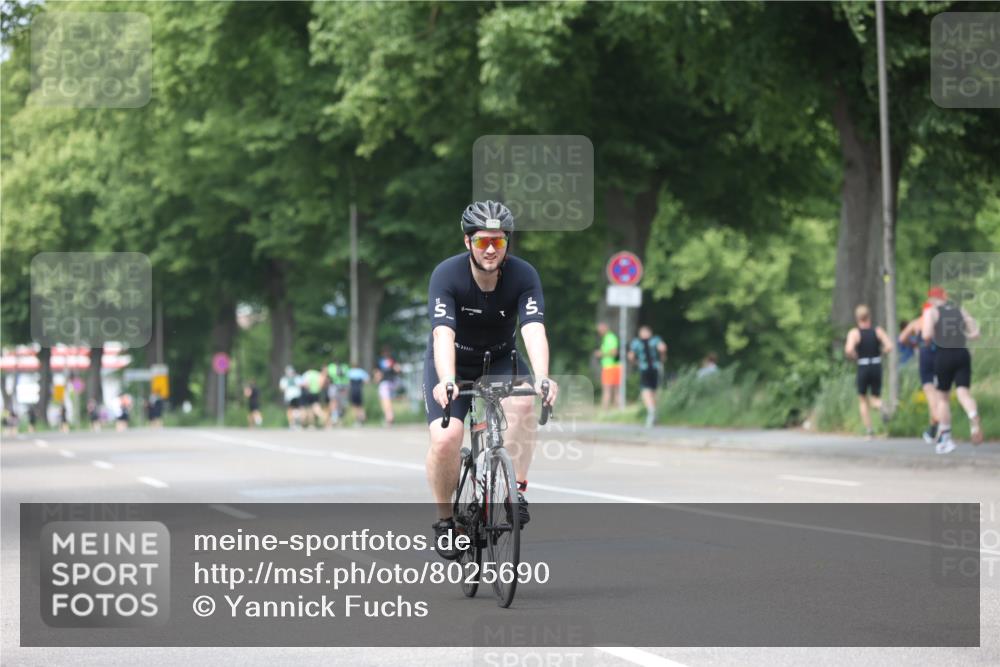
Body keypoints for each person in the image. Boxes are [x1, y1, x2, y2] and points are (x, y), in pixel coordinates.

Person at [424, 200, 558, 560]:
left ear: (507, 244)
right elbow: (442, 336)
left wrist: (543, 376)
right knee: (446, 438)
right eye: (482, 241)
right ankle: (445, 520)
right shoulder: (447, 275)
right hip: (455, 361)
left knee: (526, 400)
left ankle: (517, 491)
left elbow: (532, 328)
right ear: (468, 242)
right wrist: (447, 378)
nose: (489, 249)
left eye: (498, 242)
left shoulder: (523, 275)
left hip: (500, 358)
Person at [922, 288, 983, 453]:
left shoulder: (932, 312)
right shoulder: (960, 309)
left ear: (932, 299)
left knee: (943, 398)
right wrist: (964, 336)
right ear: (945, 297)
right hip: (963, 353)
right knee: (964, 392)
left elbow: (926, 335)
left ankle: (945, 439)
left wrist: (931, 338)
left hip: (944, 355)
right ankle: (972, 415)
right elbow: (976, 333)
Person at [843, 304, 893, 438]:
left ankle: (869, 431)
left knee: (863, 400)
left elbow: (848, 349)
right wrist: (880, 352)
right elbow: (889, 346)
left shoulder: (855, 333)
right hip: (876, 365)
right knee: (875, 398)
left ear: (857, 318)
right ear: (869, 316)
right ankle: (881, 405)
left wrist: (855, 355)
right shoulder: (878, 331)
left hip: (863, 365)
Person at [899, 293, 942, 444]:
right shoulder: (940, 321)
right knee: (940, 394)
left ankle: (938, 423)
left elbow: (902, 338)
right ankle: (934, 429)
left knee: (931, 394)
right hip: (941, 356)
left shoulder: (917, 323)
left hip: (925, 356)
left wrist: (913, 344)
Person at [628, 325, 667, 427]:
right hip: (655, 368)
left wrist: (635, 363)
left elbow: (631, 356)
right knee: (654, 391)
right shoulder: (655, 340)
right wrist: (662, 358)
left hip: (644, 368)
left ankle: (651, 410)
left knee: (645, 390)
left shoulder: (636, 342)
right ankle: (655, 414)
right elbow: (662, 348)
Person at [594, 322, 621, 409]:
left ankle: (604, 409)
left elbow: (614, 352)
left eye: (600, 330)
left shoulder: (610, 338)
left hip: (610, 367)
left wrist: (601, 353)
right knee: (615, 390)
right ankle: (617, 409)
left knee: (607, 389)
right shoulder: (607, 338)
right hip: (614, 366)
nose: (599, 332)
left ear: (605, 328)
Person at [375, 346, 402, 426]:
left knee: (385, 401)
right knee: (388, 400)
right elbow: (398, 369)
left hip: (385, 383)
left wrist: (376, 380)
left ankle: (389, 418)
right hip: (393, 382)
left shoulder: (380, 361)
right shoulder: (393, 360)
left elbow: (378, 373)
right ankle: (390, 416)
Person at [326, 361, 349, 425]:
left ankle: (339, 418)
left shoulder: (344, 367)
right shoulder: (331, 367)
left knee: (342, 403)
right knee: (333, 401)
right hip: (334, 385)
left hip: (343, 386)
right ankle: (334, 417)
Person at [347, 361, 369, 425]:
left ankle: (357, 420)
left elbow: (347, 381)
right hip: (359, 389)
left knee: (355, 405)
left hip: (353, 390)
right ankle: (363, 417)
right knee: (360, 405)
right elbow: (367, 380)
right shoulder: (361, 371)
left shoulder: (350, 372)